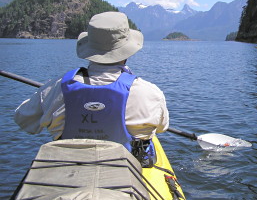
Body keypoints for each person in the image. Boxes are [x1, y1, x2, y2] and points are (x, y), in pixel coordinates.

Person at [14, 11, 169, 167]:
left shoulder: (56, 87)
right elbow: (162, 127)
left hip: (68, 169)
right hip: (124, 172)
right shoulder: (150, 92)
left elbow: (22, 119)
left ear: (89, 49)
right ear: (127, 51)